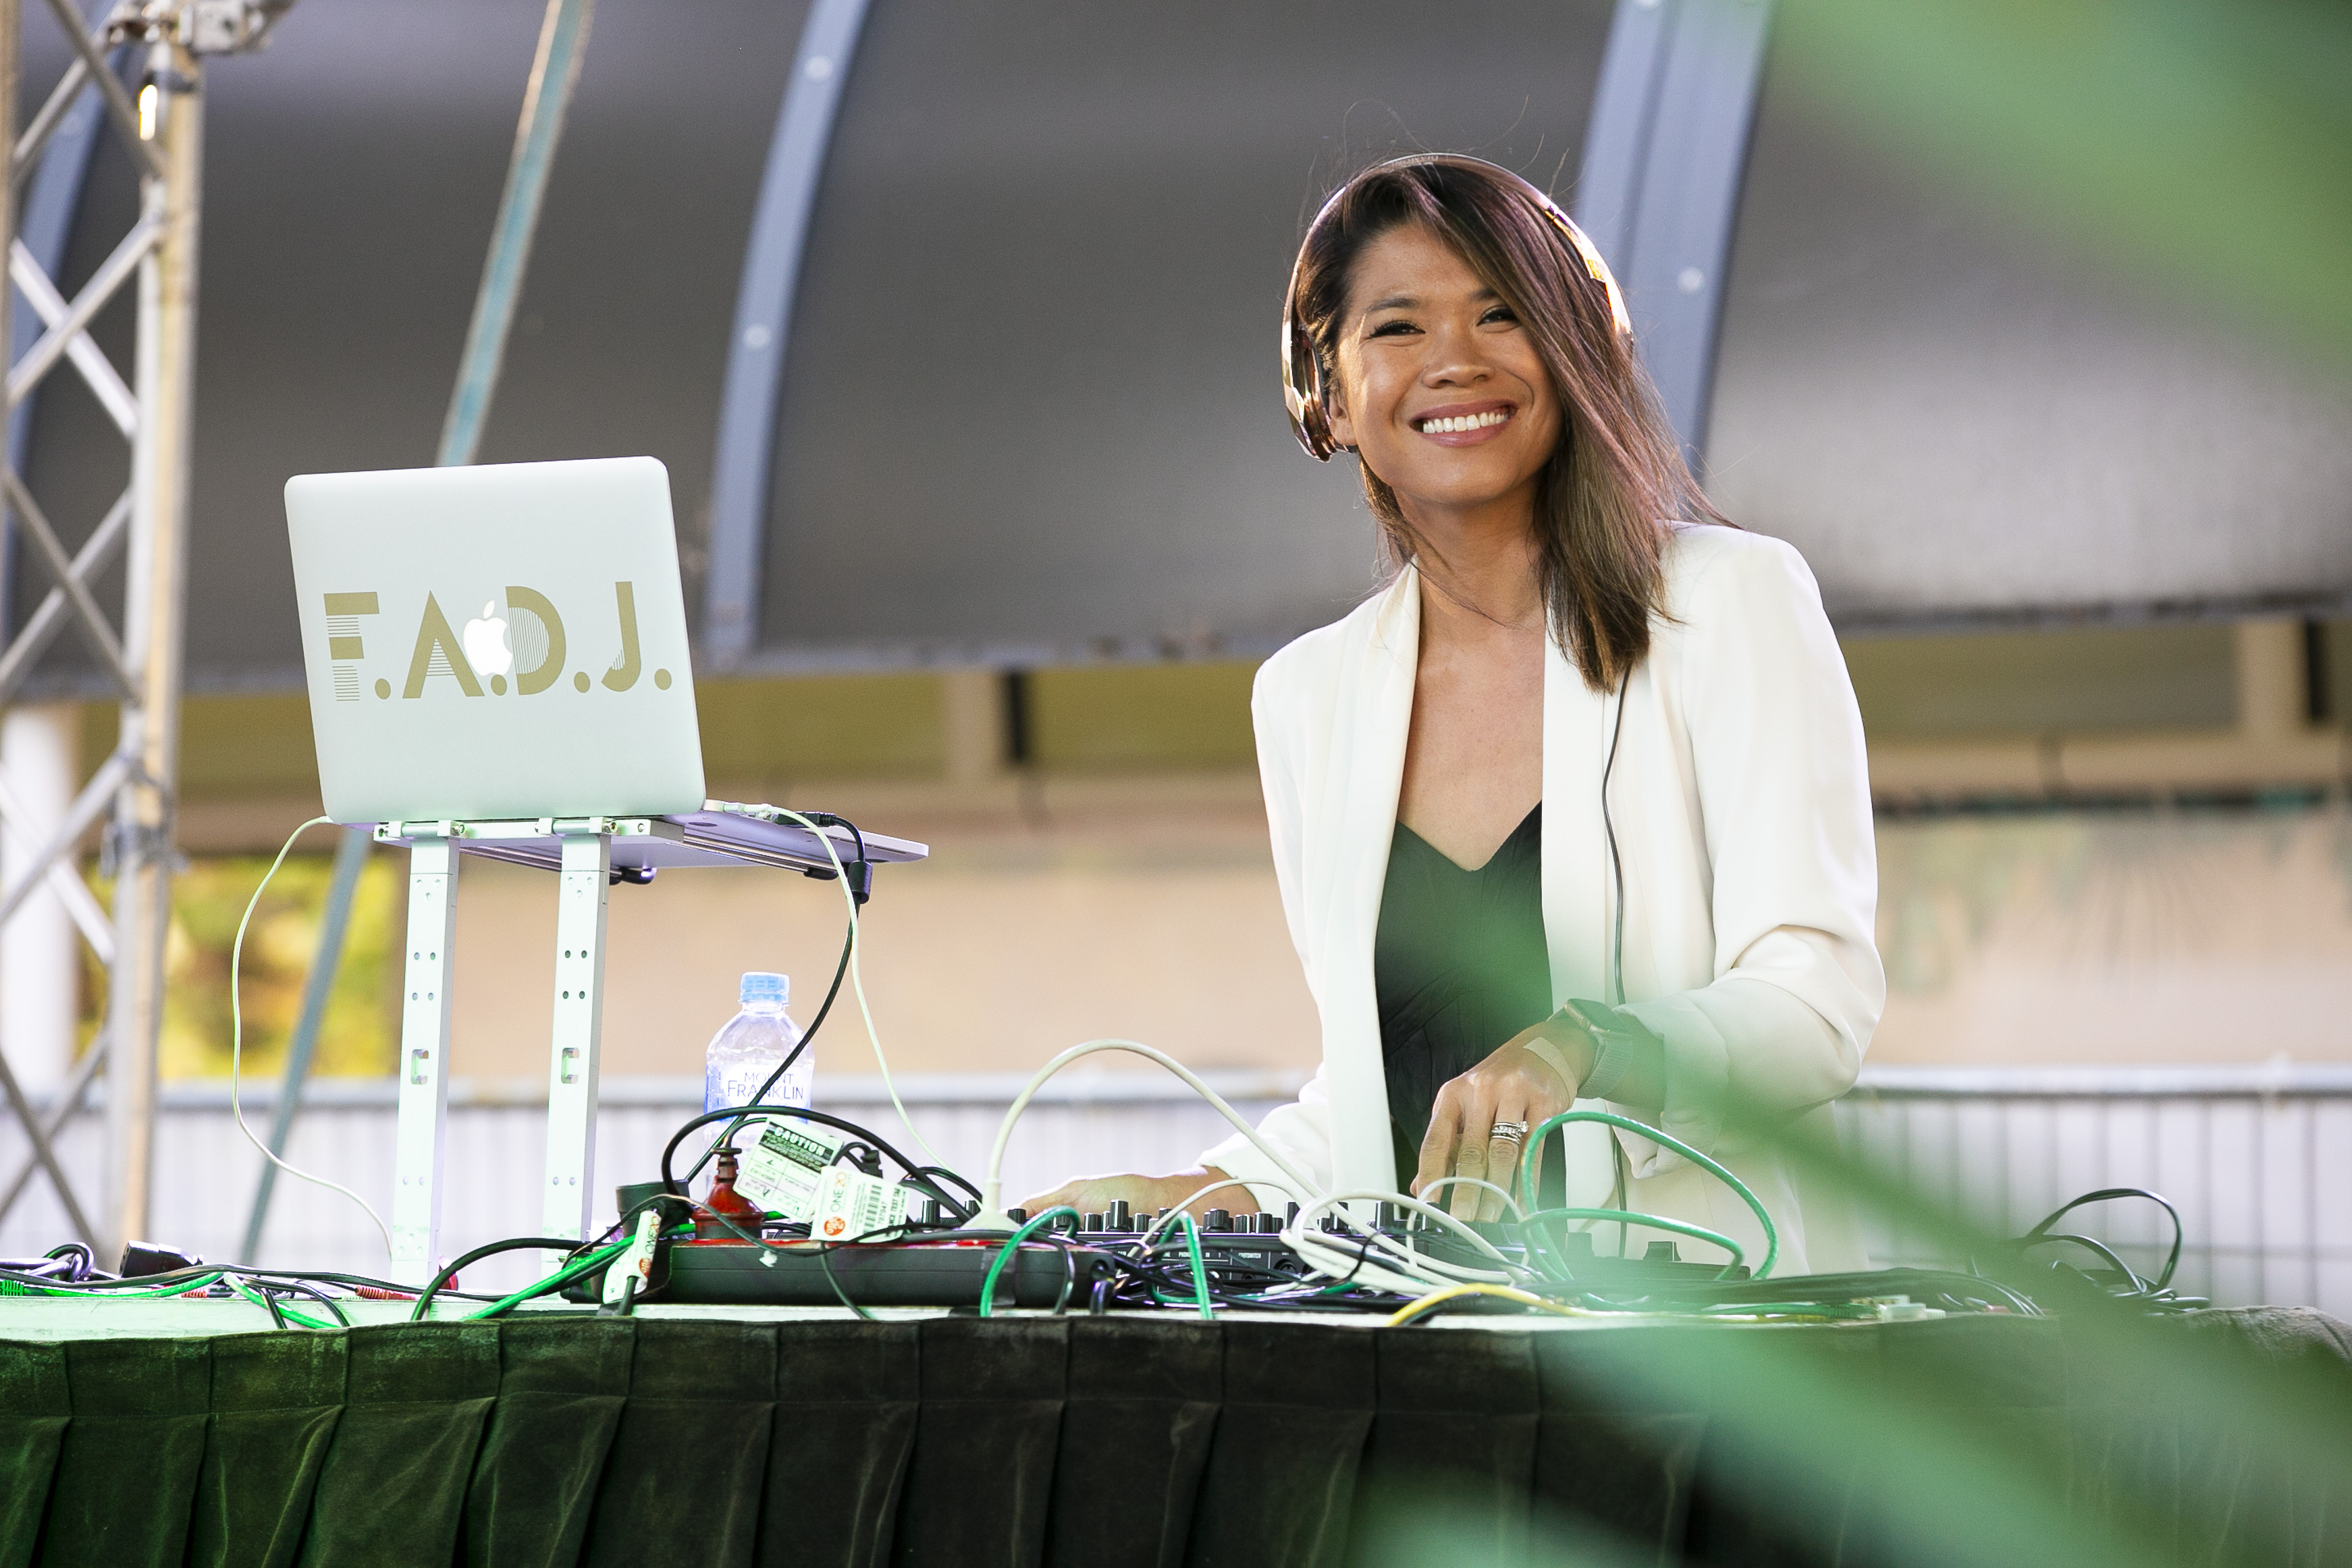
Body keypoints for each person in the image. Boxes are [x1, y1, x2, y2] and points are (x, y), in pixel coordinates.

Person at [1026, 155, 1882, 1272]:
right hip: (1428, 1337)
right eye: (1398, 328)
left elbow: (1817, 1002)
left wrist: (1591, 1046)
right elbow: (1376, 1099)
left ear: (1577, 354)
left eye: (1501, 314)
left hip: (1708, 1322)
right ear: (1329, 395)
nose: (1456, 360)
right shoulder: (1308, 697)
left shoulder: (1730, 604)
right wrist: (1199, 1191)